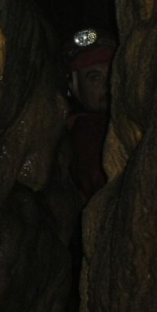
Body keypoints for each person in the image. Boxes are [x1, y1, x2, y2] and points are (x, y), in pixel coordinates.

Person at [64, 28, 115, 201]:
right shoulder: (85, 134)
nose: (107, 84)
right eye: (94, 78)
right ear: (74, 88)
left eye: (112, 73)